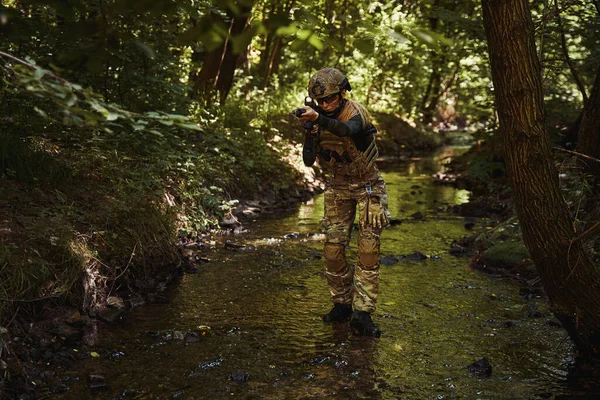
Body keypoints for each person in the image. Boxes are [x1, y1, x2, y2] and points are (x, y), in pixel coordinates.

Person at [295, 67, 390, 337]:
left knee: (368, 250)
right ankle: (342, 304)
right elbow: (308, 161)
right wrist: (310, 133)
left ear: (343, 93)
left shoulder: (356, 113)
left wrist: (320, 120)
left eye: (330, 100)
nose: (324, 106)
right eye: (319, 102)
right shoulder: (319, 118)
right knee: (333, 251)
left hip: (368, 186)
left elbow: (346, 129)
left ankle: (363, 313)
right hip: (337, 186)